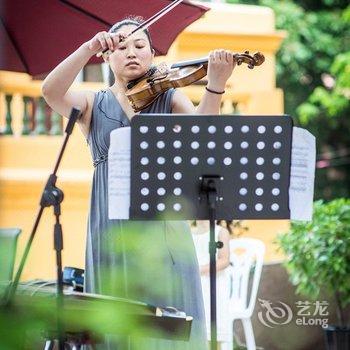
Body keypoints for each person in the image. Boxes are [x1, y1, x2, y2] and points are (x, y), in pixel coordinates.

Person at [42, 16, 236, 349]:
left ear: (151, 53)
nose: (132, 52)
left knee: (171, 316)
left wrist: (215, 83)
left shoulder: (169, 97)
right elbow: (51, 90)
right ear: (106, 56)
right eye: (121, 46)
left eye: (140, 45)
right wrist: (86, 48)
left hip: (163, 225)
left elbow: (203, 135)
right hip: (111, 224)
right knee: (118, 317)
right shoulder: (92, 104)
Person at [191, 220, 231, 348]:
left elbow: (224, 260)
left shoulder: (220, 232)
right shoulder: (188, 233)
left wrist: (198, 270)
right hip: (194, 287)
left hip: (213, 287)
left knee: (213, 331)